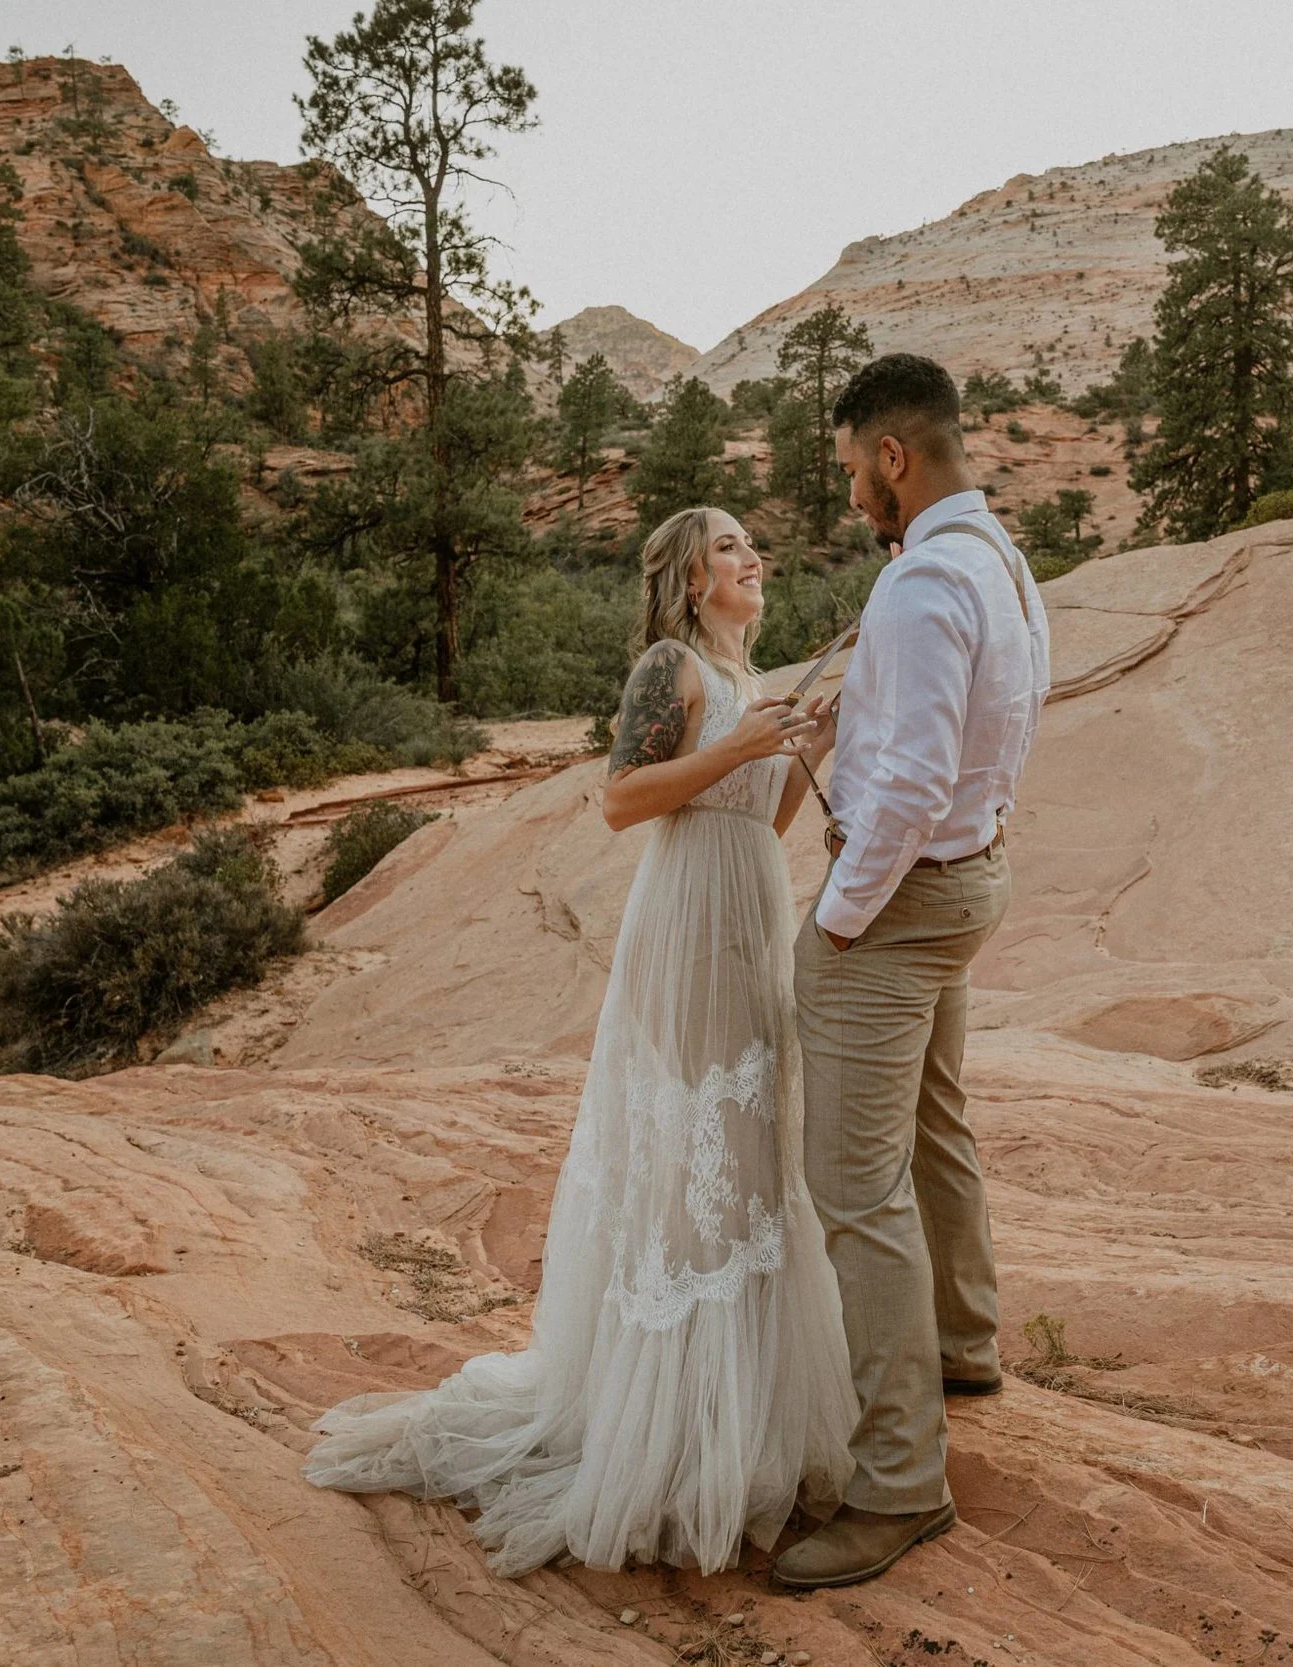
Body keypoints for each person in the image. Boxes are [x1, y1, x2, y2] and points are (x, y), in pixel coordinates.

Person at [302, 507, 859, 1577]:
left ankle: (739, 1421)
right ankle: (664, 1430)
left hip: (745, 904)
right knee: (693, 1150)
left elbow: (760, 817)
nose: (756, 559)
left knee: (748, 1154)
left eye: (754, 547)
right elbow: (620, 801)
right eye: (734, 547)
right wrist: (743, 741)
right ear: (694, 577)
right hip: (685, 922)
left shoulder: (750, 684)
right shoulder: (672, 666)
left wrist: (805, 746)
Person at [772, 355, 1051, 1590]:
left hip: (902, 902)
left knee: (853, 1185)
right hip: (970, 878)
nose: (851, 500)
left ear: (894, 456)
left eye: (851, 473)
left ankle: (897, 1483)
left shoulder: (923, 583)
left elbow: (908, 784)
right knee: (936, 1121)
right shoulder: (999, 558)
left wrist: (836, 919)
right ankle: (964, 1339)